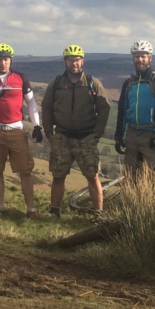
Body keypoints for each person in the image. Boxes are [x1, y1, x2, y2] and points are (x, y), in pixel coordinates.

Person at [0, 43, 43, 217]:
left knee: (25, 170)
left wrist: (36, 126)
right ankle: (0, 207)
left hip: (17, 130)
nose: (2, 63)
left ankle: (30, 208)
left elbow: (31, 103)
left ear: (10, 60)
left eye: (5, 59)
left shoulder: (21, 78)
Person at [41, 45, 110, 218]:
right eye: (70, 59)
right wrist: (49, 133)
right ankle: (54, 210)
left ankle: (98, 213)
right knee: (58, 175)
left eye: (77, 59)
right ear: (65, 61)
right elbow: (46, 108)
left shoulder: (93, 83)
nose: (74, 63)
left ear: (82, 61)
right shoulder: (56, 83)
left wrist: (97, 134)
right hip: (62, 137)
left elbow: (104, 108)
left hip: (86, 137)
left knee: (92, 175)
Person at [114, 40, 155, 177]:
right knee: (130, 176)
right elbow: (122, 110)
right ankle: (131, 199)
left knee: (151, 176)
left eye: (143, 56)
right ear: (133, 58)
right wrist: (118, 135)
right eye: (136, 56)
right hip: (132, 133)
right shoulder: (128, 83)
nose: (140, 59)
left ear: (150, 58)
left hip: (150, 134)